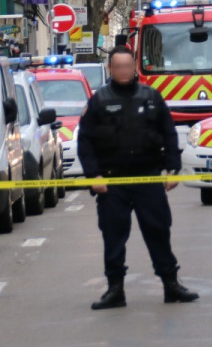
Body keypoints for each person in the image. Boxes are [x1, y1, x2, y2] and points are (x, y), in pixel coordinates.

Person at [77, 46, 199, 310]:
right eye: (118, 67)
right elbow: (85, 142)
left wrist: (172, 169)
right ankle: (115, 289)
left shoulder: (152, 97)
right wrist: (93, 176)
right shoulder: (98, 100)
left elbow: (168, 133)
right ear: (111, 69)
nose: (123, 71)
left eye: (127, 66)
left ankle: (171, 284)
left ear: (134, 68)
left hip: (147, 178)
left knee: (158, 232)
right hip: (112, 182)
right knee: (113, 237)